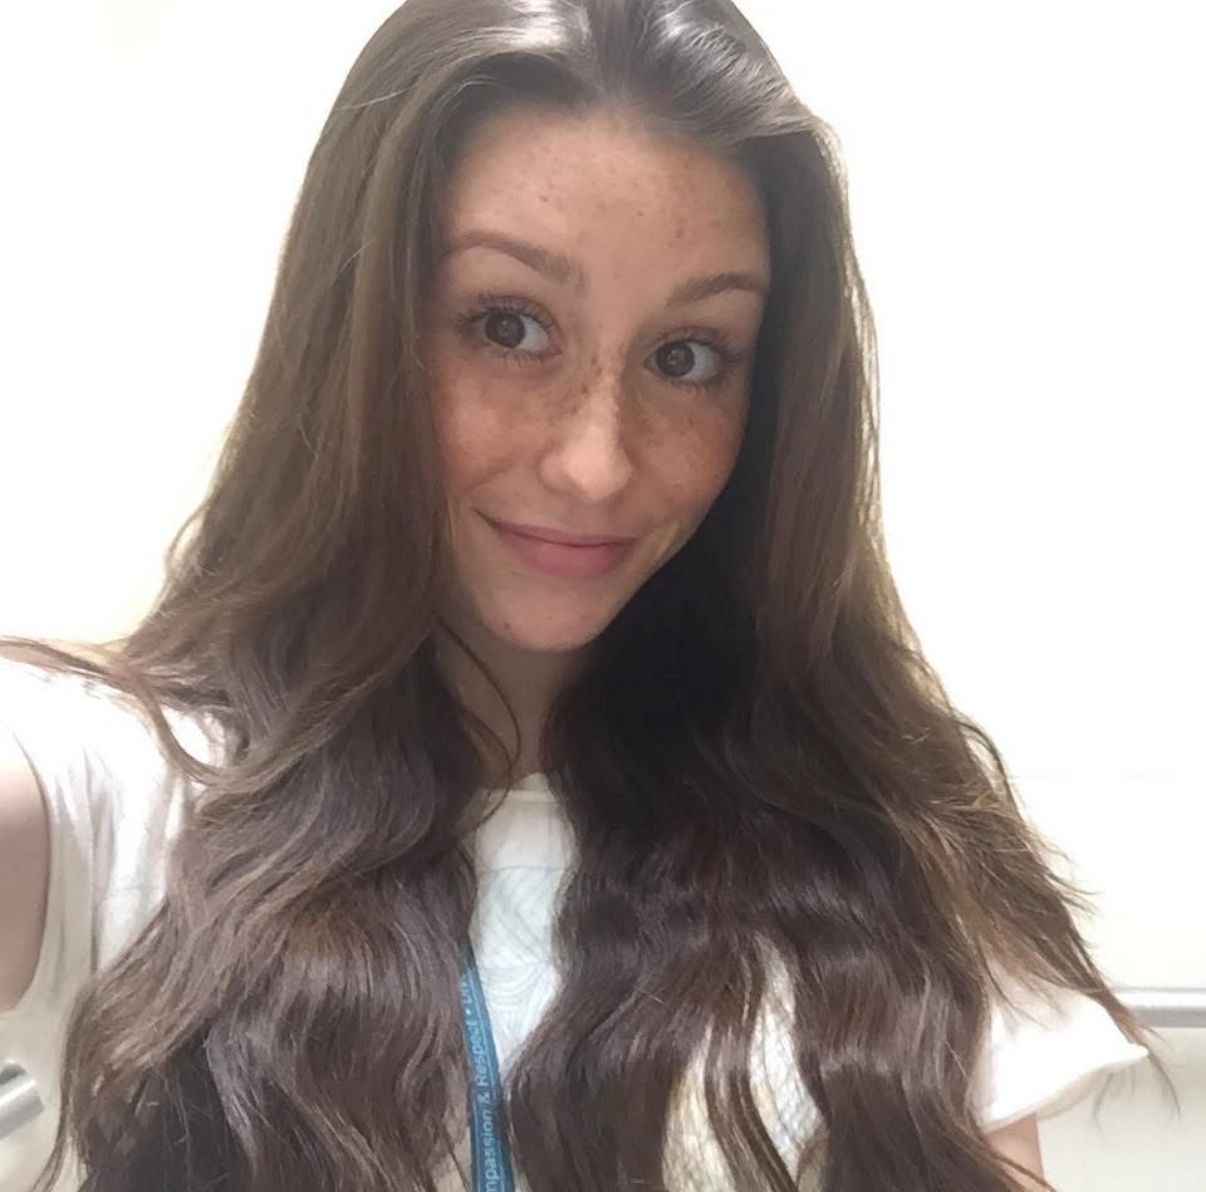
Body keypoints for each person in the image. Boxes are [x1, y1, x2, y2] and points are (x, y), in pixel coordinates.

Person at [0, 1, 1173, 1190]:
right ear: (354, 334)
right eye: (507, 326)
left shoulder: (892, 832)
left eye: (688, 356)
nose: (597, 464)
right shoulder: (127, 782)